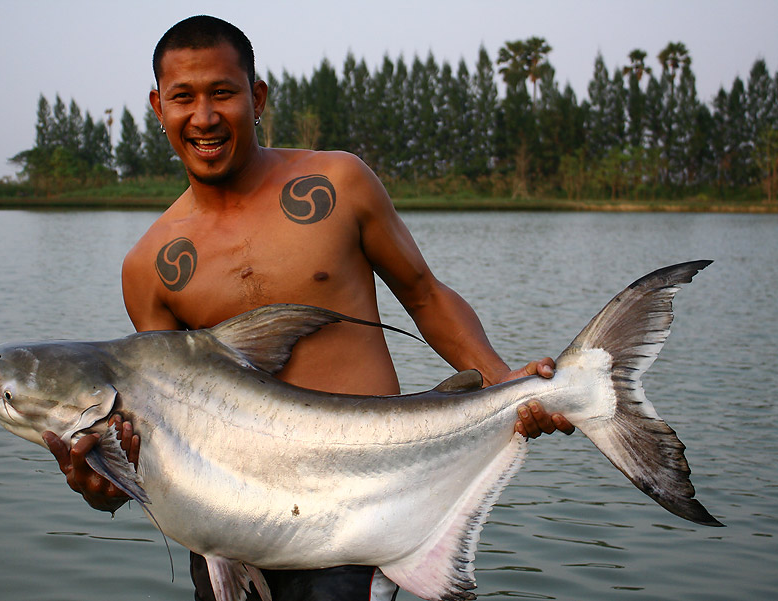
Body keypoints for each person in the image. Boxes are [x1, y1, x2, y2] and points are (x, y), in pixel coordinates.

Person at [43, 15, 574, 601]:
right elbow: (160, 428)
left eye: (223, 92)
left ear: (257, 96)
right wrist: (107, 482)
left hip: (362, 515)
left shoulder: (338, 183)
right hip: (229, 545)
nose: (204, 116)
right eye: (183, 97)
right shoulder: (148, 266)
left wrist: (503, 382)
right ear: (157, 105)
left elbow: (424, 295)